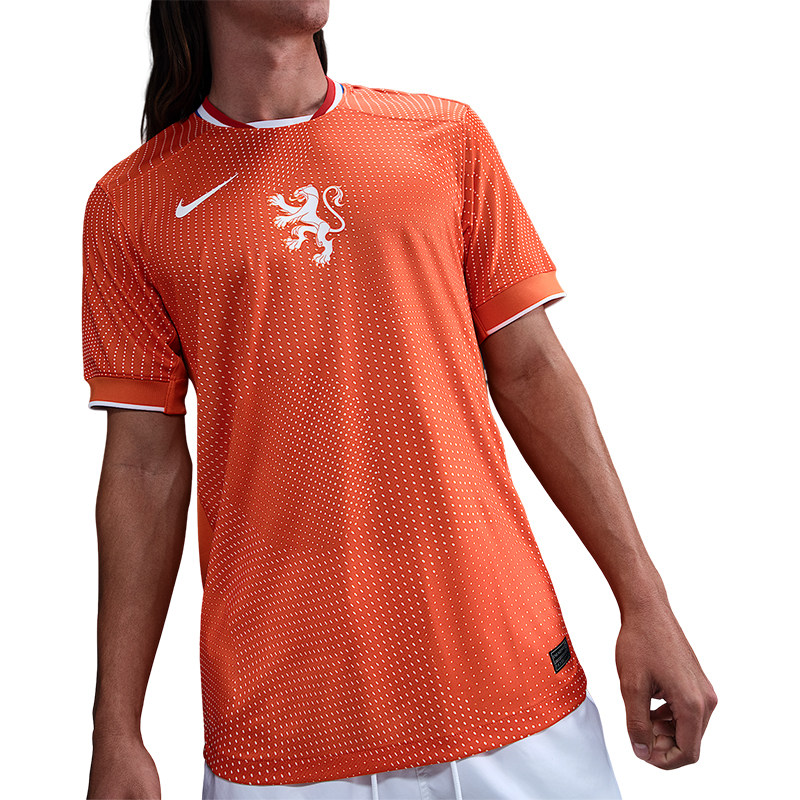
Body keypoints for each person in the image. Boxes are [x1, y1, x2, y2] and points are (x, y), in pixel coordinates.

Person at [83, 1, 717, 798]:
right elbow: (142, 469)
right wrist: (117, 728)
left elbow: (531, 373)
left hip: (513, 698)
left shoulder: (444, 138)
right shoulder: (132, 205)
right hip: (285, 734)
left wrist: (645, 601)